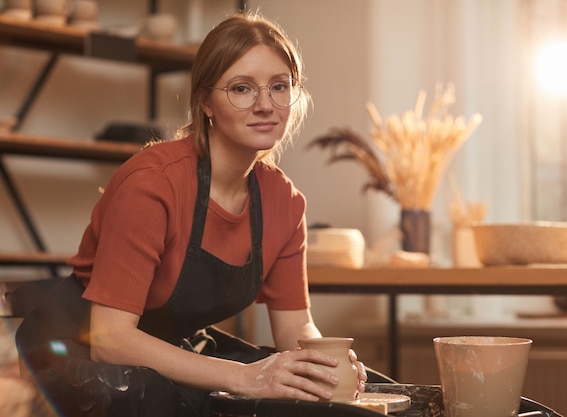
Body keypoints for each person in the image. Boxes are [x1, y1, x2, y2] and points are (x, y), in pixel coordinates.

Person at [15, 12, 373, 417]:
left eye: (279, 87)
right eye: (241, 88)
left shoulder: (284, 201)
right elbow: (109, 338)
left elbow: (296, 329)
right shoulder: (154, 183)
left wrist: (327, 365)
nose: (265, 105)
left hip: (171, 347)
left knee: (367, 396)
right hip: (82, 353)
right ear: (205, 102)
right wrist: (246, 377)